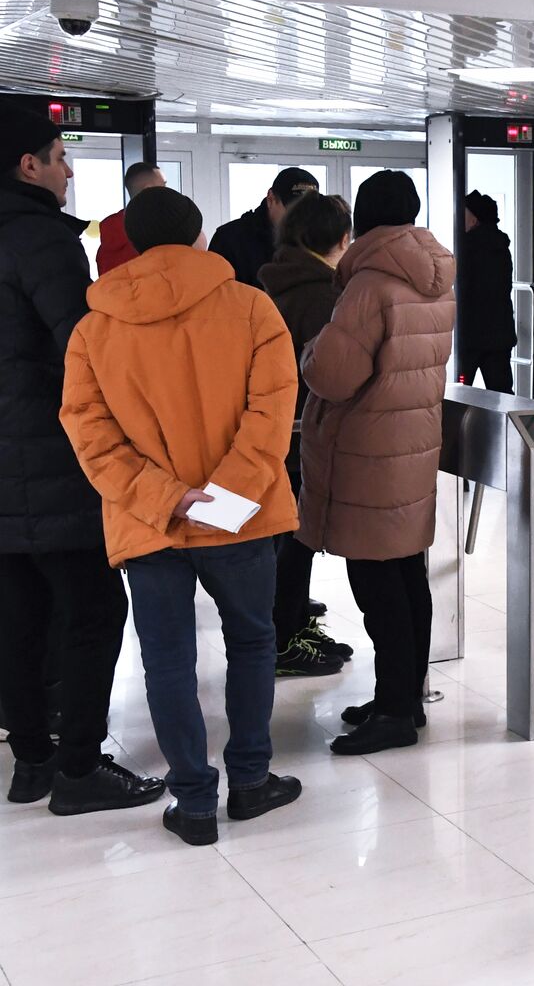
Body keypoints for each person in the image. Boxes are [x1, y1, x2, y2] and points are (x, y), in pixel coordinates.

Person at [61, 185, 303, 847]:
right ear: (199, 235)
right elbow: (274, 411)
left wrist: (167, 497)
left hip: (149, 523)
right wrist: (223, 494)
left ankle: (195, 805)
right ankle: (250, 783)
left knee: (167, 664)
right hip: (241, 517)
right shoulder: (252, 309)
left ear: (131, 244)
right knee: (253, 643)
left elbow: (90, 433)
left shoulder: (93, 330)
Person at [0, 104, 163, 816]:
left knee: (19, 613)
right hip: (50, 460)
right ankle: (77, 770)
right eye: (60, 155)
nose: (68, 170)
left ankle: (31, 760)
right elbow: (82, 348)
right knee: (96, 607)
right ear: (27, 166)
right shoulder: (40, 239)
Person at [297, 170, 455, 755]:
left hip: (368, 452)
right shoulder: (436, 276)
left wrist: (311, 350)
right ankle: (404, 697)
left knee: (375, 582)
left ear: (363, 218)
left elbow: (334, 373)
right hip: (411, 446)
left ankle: (392, 710)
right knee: (407, 574)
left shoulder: (369, 283)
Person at [259, 192, 355, 677]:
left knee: (288, 538)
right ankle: (282, 640)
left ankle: (292, 627)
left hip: (275, 432)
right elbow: (329, 373)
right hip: (303, 434)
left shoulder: (276, 281)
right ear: (340, 239)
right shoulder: (321, 295)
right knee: (295, 542)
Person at [209, 166, 320, 289]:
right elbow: (216, 295)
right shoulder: (229, 239)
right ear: (271, 199)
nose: (301, 217)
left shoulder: (319, 240)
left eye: (308, 210)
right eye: (292, 210)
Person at [457, 189, 516, 393]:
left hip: (469, 336)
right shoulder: (501, 246)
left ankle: (459, 427)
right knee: (502, 393)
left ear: (475, 220)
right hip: (500, 335)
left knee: (459, 391)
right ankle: (505, 426)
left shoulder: (464, 247)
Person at [95, 162, 165, 275]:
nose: (168, 193)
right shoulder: (152, 238)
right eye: (164, 186)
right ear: (149, 190)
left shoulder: (108, 241)